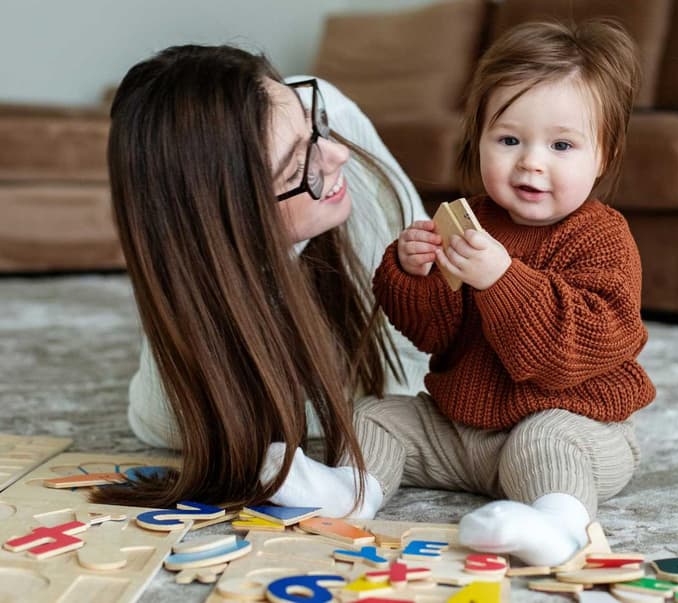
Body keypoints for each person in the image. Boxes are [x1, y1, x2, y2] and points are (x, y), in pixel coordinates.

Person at [272, 20, 657, 565]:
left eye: (562, 145)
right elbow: (434, 334)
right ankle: (350, 491)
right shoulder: (469, 221)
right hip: (463, 430)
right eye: (509, 140)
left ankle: (559, 525)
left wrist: (502, 280)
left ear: (604, 156)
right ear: (478, 140)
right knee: (376, 416)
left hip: (577, 426)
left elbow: (567, 354)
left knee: (547, 441)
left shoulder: (602, 238)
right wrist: (414, 273)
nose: (531, 161)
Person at [95, 44, 428, 512]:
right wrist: (270, 253)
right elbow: (163, 424)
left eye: (314, 124)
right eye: (296, 168)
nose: (337, 155)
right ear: (229, 223)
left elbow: (430, 350)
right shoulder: (175, 398)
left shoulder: (322, 111)